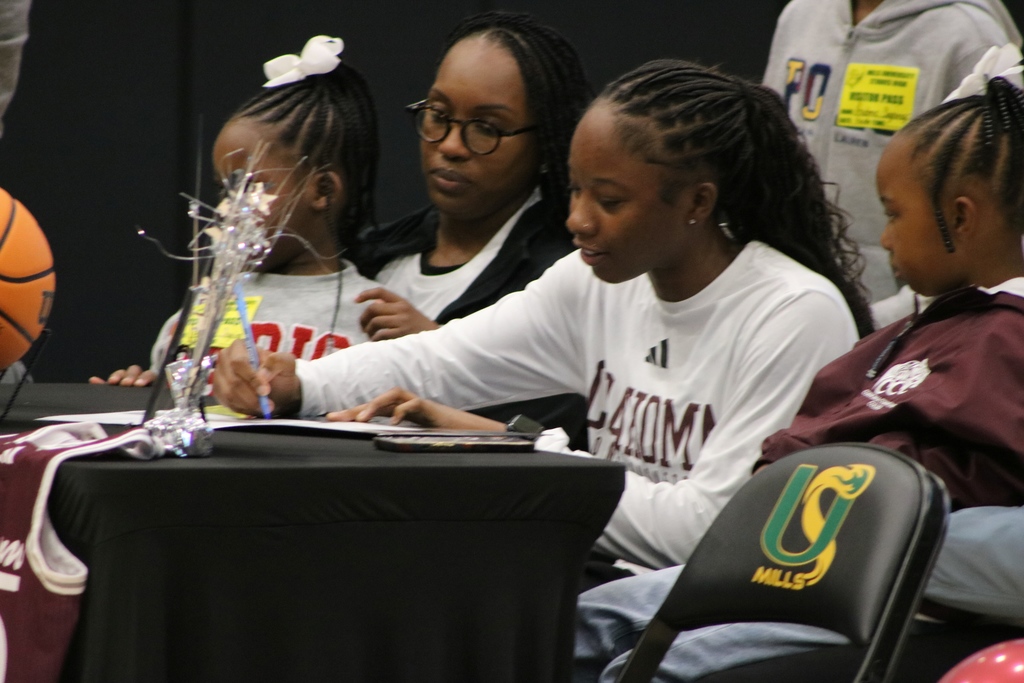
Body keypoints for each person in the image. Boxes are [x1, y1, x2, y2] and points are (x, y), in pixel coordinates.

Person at [213, 59, 875, 574]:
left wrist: (522, 453)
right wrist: (299, 383)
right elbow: (439, 360)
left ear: (697, 201)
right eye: (577, 188)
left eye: (608, 199)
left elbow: (710, 531)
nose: (577, 219)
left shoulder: (795, 313)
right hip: (597, 575)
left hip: (692, 607)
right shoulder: (597, 281)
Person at [574, 70, 1024, 681]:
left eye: (893, 214)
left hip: (882, 602)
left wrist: (858, 540)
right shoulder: (925, 324)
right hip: (788, 563)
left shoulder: (1008, 336)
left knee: (660, 668)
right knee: (578, 621)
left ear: (961, 217)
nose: (885, 239)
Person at [350, 11, 593, 441]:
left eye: (486, 128)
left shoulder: (569, 276)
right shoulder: (370, 252)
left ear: (547, 145)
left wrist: (439, 343)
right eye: (438, 115)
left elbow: (566, 431)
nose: (450, 145)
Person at [89, 35, 381, 387]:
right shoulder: (200, 308)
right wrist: (138, 394)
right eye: (223, 189)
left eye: (253, 187)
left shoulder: (374, 315)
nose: (228, 208)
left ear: (322, 190)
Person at [764, 0, 1021, 303]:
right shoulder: (801, 13)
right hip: (790, 299)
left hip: (895, 315)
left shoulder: (967, 31)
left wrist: (890, 320)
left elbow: (991, 226)